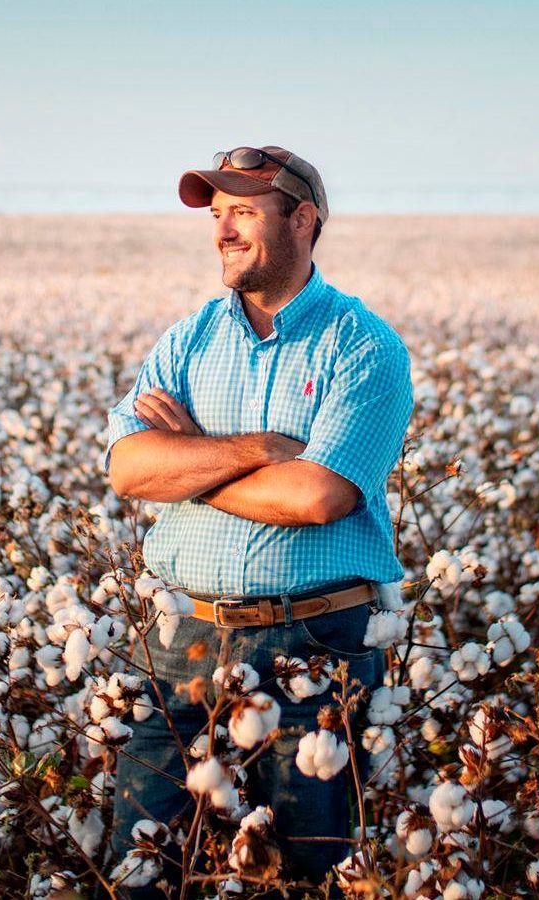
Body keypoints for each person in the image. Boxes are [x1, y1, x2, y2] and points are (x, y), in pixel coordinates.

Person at [101, 145, 414, 897]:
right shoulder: (188, 340)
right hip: (182, 644)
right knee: (137, 872)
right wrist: (253, 452)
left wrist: (190, 468)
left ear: (302, 220)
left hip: (314, 645)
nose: (223, 231)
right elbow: (129, 470)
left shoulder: (364, 347)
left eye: (243, 211)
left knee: (303, 876)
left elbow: (317, 497)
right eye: (217, 215)